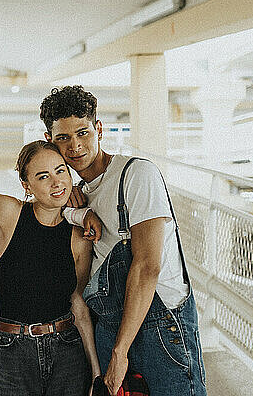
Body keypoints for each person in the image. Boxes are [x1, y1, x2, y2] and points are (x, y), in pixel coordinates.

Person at [40, 85, 207, 396]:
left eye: (83, 133)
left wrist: (120, 352)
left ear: (99, 129)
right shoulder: (79, 195)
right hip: (112, 324)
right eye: (63, 137)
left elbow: (147, 266)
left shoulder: (137, 174)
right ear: (51, 141)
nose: (75, 146)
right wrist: (74, 212)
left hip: (160, 326)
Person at [0, 140, 102, 396]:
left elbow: (78, 302)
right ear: (26, 185)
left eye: (61, 171)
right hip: (13, 349)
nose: (56, 182)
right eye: (43, 177)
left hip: (66, 348)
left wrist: (96, 372)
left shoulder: (77, 236)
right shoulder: (8, 212)